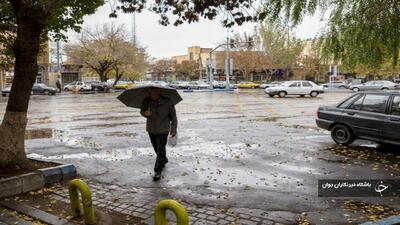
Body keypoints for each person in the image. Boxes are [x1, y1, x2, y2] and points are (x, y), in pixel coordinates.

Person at [140, 88, 177, 181]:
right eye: (151, 92)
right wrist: (145, 113)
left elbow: (173, 117)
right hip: (151, 129)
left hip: (163, 129)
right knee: (157, 149)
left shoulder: (168, 102)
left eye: (155, 92)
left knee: (160, 150)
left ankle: (157, 171)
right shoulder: (146, 101)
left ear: (159, 92)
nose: (152, 94)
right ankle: (164, 159)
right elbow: (142, 111)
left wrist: (173, 129)